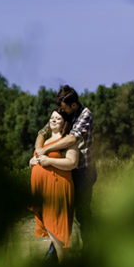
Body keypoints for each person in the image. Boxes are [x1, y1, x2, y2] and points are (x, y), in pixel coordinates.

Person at [35, 85, 95, 239]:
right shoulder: (64, 112)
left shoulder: (85, 114)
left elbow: (72, 139)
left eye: (65, 108)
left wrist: (46, 151)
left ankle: (91, 250)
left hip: (83, 170)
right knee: (61, 214)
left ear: (73, 105)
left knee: (82, 213)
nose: (62, 111)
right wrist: (37, 150)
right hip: (65, 170)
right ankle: (56, 254)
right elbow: (42, 132)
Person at [29, 109, 79, 261]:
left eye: (58, 118)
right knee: (53, 231)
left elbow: (72, 163)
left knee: (57, 230)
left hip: (57, 188)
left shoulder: (67, 140)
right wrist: (31, 162)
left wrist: (50, 161)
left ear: (65, 122)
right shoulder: (44, 141)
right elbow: (38, 159)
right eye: (52, 117)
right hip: (42, 191)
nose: (54, 120)